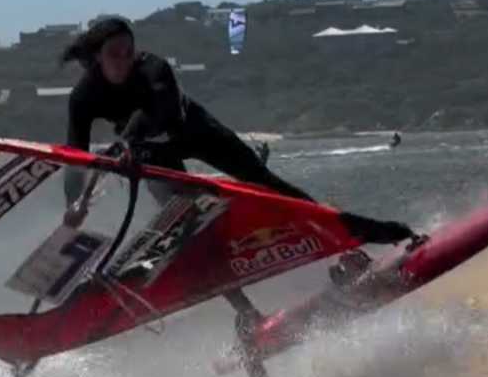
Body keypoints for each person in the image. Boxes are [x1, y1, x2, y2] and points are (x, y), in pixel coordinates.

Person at [59, 17, 416, 245]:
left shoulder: (153, 68)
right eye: (115, 54)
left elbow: (159, 112)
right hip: (152, 152)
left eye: (128, 50)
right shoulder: (84, 96)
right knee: (186, 224)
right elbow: (76, 158)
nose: (125, 58)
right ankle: (245, 314)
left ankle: (348, 243)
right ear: (96, 59)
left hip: (194, 131)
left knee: (266, 184)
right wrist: (75, 203)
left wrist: (126, 144)